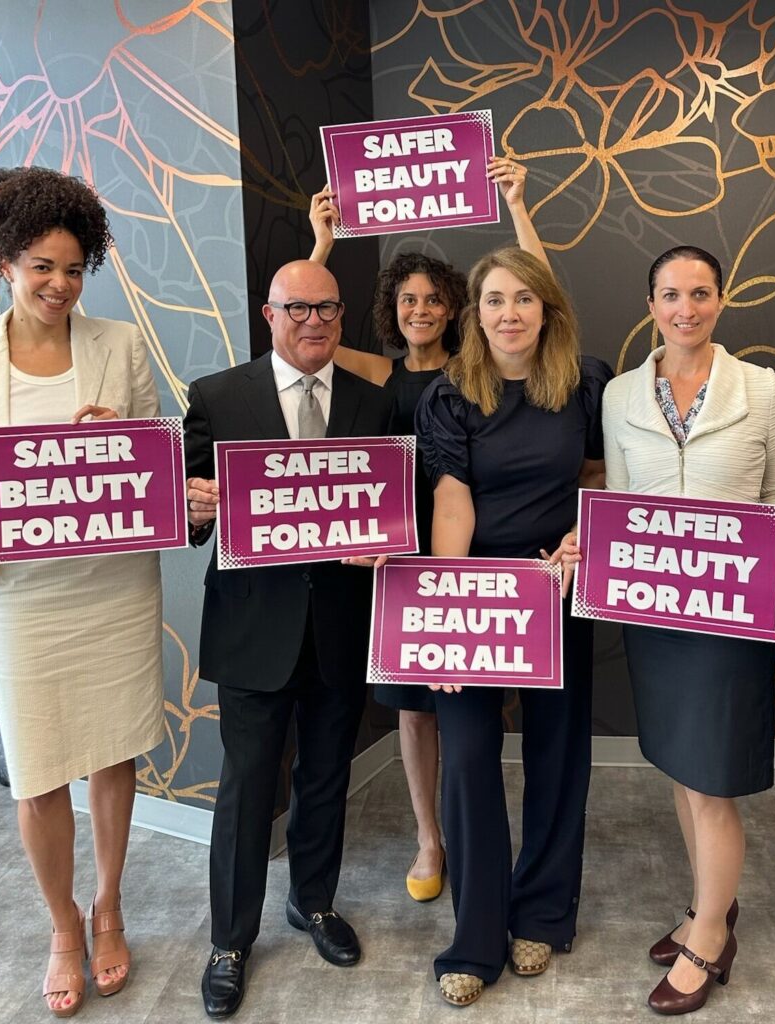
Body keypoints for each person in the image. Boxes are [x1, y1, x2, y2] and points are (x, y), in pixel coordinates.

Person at [0, 166, 164, 1018]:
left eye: (74, 269)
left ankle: (108, 905)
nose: (59, 285)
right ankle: (62, 924)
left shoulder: (121, 345)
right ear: (3, 262)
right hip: (22, 593)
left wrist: (128, 441)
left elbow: (155, 453)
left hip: (111, 582)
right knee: (36, 770)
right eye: (41, 266)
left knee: (113, 751)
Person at [307, 156, 547, 902]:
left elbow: (543, 291)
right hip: (400, 555)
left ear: (456, 309)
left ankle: (476, 828)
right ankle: (429, 837)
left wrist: (515, 206)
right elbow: (298, 332)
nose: (420, 310)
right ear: (393, 308)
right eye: (407, 299)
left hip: (479, 547)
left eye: (434, 299)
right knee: (415, 705)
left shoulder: (478, 369)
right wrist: (321, 246)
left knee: (478, 706)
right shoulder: (376, 373)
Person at [184, 260, 393, 1020]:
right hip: (252, 628)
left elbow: (393, 507)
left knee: (326, 776)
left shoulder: (377, 403)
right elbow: (184, 520)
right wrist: (195, 507)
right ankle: (230, 941)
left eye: (329, 309)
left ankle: (314, 902)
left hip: (341, 625)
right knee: (246, 789)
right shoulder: (216, 397)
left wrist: (389, 543)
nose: (315, 321)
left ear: (342, 318)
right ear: (269, 315)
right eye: (298, 308)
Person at [600, 245, 775, 1014]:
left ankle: (711, 935)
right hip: (654, 616)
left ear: (721, 299)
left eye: (699, 293)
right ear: (650, 303)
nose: (685, 308)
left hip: (732, 615)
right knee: (683, 773)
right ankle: (705, 905)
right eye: (669, 294)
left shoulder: (764, 389)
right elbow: (620, 502)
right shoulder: (621, 392)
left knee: (713, 782)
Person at [413, 246, 612, 1006]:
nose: (509, 313)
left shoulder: (583, 383)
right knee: (465, 759)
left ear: (546, 309)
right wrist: (451, 610)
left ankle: (543, 913)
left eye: (524, 299)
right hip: (477, 591)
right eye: (495, 299)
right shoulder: (450, 395)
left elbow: (599, 473)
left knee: (558, 758)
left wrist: (585, 532)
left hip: (558, 588)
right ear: (476, 312)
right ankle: (475, 935)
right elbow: (452, 500)